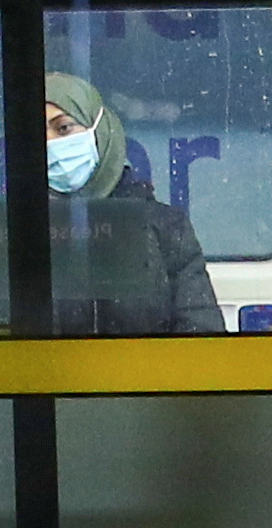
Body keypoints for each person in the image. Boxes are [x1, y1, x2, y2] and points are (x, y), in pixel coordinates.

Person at [43, 71, 224, 335]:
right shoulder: (21, 233)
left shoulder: (165, 227)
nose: (50, 143)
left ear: (98, 132)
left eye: (63, 128)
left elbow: (201, 332)